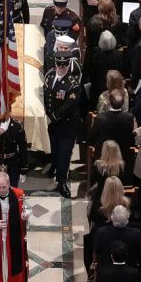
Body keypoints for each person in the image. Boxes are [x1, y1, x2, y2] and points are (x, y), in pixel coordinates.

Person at [44, 50, 85, 197]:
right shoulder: (49, 76)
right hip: (53, 125)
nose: (62, 67)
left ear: (68, 65)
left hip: (67, 126)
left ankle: (62, 182)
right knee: (54, 150)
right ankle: (53, 167)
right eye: (59, 64)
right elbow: (46, 96)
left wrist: (52, 117)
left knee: (64, 155)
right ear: (55, 64)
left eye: (64, 65)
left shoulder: (73, 85)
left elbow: (68, 106)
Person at [0, 105, 29, 191]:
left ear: (10, 111)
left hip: (12, 163)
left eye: (5, 111)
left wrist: (23, 170)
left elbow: (23, 149)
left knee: (12, 190)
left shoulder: (17, 127)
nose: (3, 114)